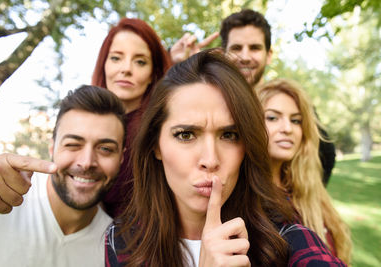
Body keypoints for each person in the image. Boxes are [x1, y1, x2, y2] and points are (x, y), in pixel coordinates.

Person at [105, 51, 347, 266]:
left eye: (229, 135)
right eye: (186, 134)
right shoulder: (122, 241)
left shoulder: (283, 235)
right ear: (156, 145)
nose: (210, 160)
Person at [170, 9, 336, 185]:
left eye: (255, 48)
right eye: (236, 48)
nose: (245, 57)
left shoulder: (289, 102)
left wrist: (301, 199)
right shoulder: (212, 99)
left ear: (269, 54)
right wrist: (184, 69)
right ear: (222, 54)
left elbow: (325, 154)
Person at [0, 85, 126, 267]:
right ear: (52, 148)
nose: (87, 162)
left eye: (105, 149)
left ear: (121, 158)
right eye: (73, 144)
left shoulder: (117, 249)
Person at [256, 78, 352, 265]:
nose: (287, 129)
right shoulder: (251, 198)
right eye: (272, 117)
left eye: (296, 120)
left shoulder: (308, 188)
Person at [91, 18, 171, 217]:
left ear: (153, 73)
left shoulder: (161, 130)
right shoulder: (81, 122)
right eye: (116, 58)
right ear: (104, 65)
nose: (126, 68)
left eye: (140, 61)